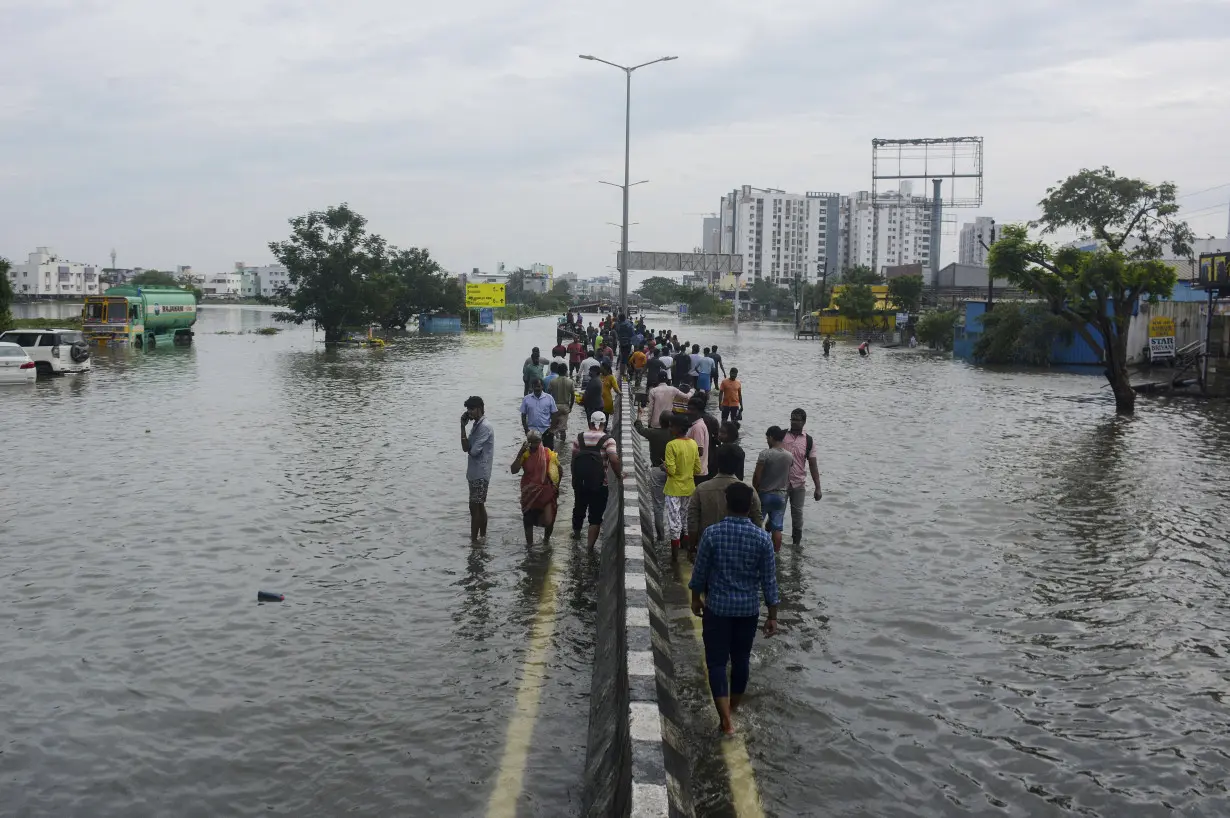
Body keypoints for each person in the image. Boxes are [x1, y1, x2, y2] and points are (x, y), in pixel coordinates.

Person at [689, 482, 779, 737]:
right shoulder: (762, 538)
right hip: (748, 611)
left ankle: (726, 721)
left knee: (716, 662)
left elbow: (700, 571)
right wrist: (773, 616)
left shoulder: (712, 534)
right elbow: (769, 581)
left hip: (717, 608)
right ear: (751, 506)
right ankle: (733, 710)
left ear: (727, 503)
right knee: (741, 661)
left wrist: (696, 598)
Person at [688, 443, 761, 558]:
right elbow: (757, 522)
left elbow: (693, 522)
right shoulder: (749, 491)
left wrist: (692, 548)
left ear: (717, 462)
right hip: (740, 551)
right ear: (739, 465)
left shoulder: (701, 489)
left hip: (707, 549)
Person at [571, 411, 622, 548]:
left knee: (579, 510)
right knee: (595, 517)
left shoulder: (579, 438)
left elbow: (574, 460)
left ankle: (576, 537)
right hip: (600, 485)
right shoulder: (608, 440)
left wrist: (574, 480)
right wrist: (619, 475)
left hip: (580, 484)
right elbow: (614, 459)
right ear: (604, 424)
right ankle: (589, 548)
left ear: (590, 422)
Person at [511, 430, 560, 546]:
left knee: (549, 519)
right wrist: (520, 452)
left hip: (546, 491)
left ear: (540, 441)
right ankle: (529, 546)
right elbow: (514, 470)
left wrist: (556, 487)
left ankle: (546, 541)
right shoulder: (525, 454)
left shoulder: (549, 454)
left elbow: (559, 469)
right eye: (531, 442)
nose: (533, 445)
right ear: (527, 442)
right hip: (529, 492)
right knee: (528, 518)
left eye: (536, 442)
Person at [783, 408, 823, 546]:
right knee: (776, 514)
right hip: (780, 483)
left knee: (798, 517)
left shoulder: (809, 441)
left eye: (797, 419)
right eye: (792, 419)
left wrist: (818, 488)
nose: (794, 422)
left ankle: (796, 547)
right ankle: (772, 543)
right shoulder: (782, 436)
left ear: (804, 422)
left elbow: (813, 465)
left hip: (798, 484)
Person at [634, 407, 675, 541]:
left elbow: (639, 428)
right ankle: (676, 536)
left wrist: (640, 415)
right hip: (674, 472)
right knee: (675, 505)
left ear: (660, 421)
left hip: (657, 470)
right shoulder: (676, 435)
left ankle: (661, 537)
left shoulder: (653, 433)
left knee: (658, 506)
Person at [664, 414, 702, 552]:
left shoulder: (671, 445)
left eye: (671, 426)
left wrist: (664, 467)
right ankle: (686, 551)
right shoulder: (693, 444)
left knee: (674, 522)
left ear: (677, 428)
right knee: (685, 520)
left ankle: (674, 555)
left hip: (674, 488)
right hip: (689, 487)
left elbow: (672, 471)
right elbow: (698, 469)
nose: (669, 428)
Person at [753, 425, 794, 552]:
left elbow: (757, 476)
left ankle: (756, 550)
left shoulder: (765, 454)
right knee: (777, 528)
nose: (767, 440)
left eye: (767, 438)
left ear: (771, 437)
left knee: (757, 525)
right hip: (781, 496)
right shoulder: (789, 456)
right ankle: (775, 553)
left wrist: (755, 490)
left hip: (764, 494)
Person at [460, 395, 494, 542]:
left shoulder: (485, 426)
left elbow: (473, 451)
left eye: (471, 409)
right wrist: (462, 427)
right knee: (479, 506)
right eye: (468, 409)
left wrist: (469, 446)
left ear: (479, 408)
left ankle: (474, 542)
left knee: (475, 508)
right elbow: (465, 448)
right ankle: (482, 537)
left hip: (481, 472)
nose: (469, 412)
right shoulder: (476, 425)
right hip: (475, 472)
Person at [520, 377, 559, 450]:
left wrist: (551, 429)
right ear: (532, 387)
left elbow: (555, 414)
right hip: (532, 432)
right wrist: (526, 430)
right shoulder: (526, 399)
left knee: (549, 454)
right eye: (534, 386)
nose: (536, 388)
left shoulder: (549, 398)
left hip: (546, 431)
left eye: (538, 386)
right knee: (532, 455)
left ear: (542, 386)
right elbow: (523, 415)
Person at [546, 361, 576, 445]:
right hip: (565, 407)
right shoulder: (570, 382)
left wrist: (549, 406)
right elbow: (573, 395)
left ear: (558, 371)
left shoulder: (552, 381)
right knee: (563, 429)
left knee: (553, 427)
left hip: (554, 407)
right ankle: (563, 446)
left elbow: (548, 394)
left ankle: (552, 444)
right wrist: (571, 406)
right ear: (566, 371)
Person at [687, 395, 714, 484]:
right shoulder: (698, 424)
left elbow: (700, 451)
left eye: (692, 409)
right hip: (699, 470)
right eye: (688, 409)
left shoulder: (697, 427)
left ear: (699, 411)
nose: (689, 412)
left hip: (697, 473)